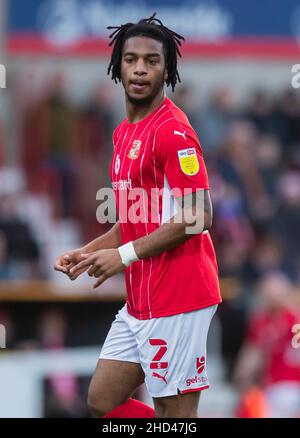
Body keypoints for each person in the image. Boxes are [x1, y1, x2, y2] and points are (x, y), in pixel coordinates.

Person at [55, 13, 221, 418]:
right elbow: (133, 216)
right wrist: (89, 251)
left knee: (174, 412)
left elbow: (199, 214)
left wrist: (123, 256)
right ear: (117, 66)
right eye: (131, 60)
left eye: (152, 60)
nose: (140, 69)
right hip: (142, 299)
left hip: (180, 295)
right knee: (101, 401)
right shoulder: (124, 132)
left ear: (168, 70)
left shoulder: (173, 132)